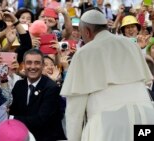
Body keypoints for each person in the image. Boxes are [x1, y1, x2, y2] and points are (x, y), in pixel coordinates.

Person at [61, 9, 154, 141]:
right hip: (146, 117)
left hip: (109, 123)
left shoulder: (83, 53)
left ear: (87, 31)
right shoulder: (131, 45)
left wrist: (73, 138)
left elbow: (74, 110)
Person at [9, 49, 66, 141]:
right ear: (23, 65)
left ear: (42, 65)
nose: (33, 66)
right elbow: (13, 110)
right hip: (24, 137)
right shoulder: (19, 85)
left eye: (37, 63)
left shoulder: (52, 87)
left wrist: (11, 118)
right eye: (29, 63)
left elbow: (41, 119)